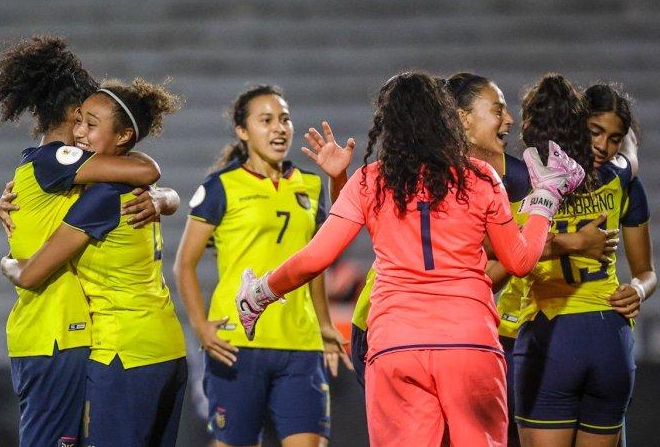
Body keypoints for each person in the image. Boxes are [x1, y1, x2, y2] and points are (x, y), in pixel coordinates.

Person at [236, 71, 585, 447]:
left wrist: (260, 293)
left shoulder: (370, 180)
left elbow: (315, 257)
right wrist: (545, 199)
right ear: (446, 118)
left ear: (388, 124)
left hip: (395, 345)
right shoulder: (481, 177)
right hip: (470, 343)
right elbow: (519, 261)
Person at [0, 36, 174, 447]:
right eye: (86, 119)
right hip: (56, 337)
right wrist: (8, 265)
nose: (87, 131)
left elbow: (140, 175)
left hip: (54, 335)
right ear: (75, 114)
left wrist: (164, 200)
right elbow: (143, 170)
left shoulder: (50, 170)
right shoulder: (58, 161)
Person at [172, 85, 348, 447]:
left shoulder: (311, 184)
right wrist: (200, 325)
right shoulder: (221, 186)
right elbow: (184, 264)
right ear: (242, 131)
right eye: (265, 120)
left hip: (300, 342)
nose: (279, 128)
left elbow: (313, 262)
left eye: (284, 119)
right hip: (237, 344)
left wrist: (325, 324)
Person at [513, 77, 652, 447]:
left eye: (613, 138)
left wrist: (637, 289)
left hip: (551, 334)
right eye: (595, 132)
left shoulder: (529, 178)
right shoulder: (622, 178)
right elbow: (629, 162)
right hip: (611, 339)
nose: (603, 146)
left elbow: (511, 254)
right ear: (577, 123)